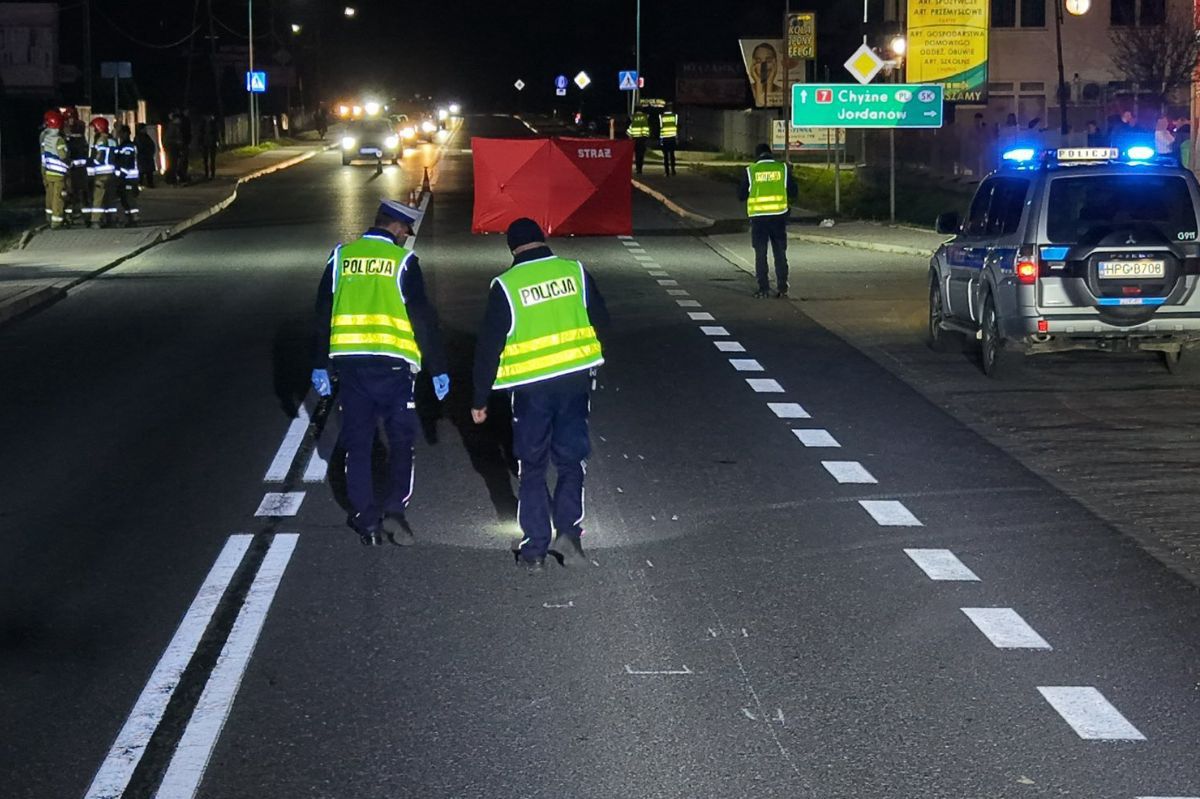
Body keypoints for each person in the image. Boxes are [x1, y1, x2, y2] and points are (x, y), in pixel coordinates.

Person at [471, 219, 609, 573]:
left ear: (512, 249)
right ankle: (569, 534)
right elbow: (602, 322)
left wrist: (479, 397)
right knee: (571, 460)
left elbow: (489, 347)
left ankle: (534, 549)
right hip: (575, 383)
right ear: (542, 239)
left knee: (532, 467)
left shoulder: (506, 285)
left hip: (531, 391)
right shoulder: (574, 272)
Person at [310, 200, 449, 546]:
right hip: (394, 368)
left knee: (358, 445)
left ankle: (366, 522)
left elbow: (322, 311)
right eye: (406, 231)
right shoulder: (404, 262)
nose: (406, 237)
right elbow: (421, 317)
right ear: (398, 228)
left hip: (351, 367)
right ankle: (395, 513)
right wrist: (437, 367)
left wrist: (319, 362)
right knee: (401, 442)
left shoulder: (341, 257)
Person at [737, 143, 798, 299]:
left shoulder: (750, 171)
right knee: (780, 253)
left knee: (761, 253)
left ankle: (763, 289)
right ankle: (782, 287)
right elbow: (794, 192)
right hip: (779, 217)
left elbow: (741, 195)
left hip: (758, 219)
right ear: (770, 154)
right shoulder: (782, 169)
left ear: (757, 155)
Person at [38, 110, 69, 229]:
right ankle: (57, 222)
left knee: (50, 196)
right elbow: (63, 155)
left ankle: (49, 218)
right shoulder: (59, 140)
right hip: (58, 173)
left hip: (48, 171)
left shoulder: (45, 138)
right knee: (58, 197)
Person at [87, 117, 118, 228]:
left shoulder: (100, 140)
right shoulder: (113, 140)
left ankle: (96, 221)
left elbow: (99, 156)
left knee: (98, 199)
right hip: (112, 174)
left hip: (101, 174)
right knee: (110, 199)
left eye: (95, 128)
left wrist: (91, 163)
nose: (94, 131)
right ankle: (112, 220)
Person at [63, 110, 89, 225]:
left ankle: (84, 216)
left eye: (72, 118)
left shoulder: (78, 131)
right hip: (71, 169)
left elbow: (81, 150)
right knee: (70, 193)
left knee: (81, 193)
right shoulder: (67, 132)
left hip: (78, 169)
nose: (70, 121)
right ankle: (70, 215)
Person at [112, 125, 140, 227]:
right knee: (124, 199)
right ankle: (130, 219)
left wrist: (121, 175)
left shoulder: (128, 146)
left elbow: (127, 163)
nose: (119, 135)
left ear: (125, 134)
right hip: (127, 177)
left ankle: (134, 218)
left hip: (129, 177)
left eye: (120, 133)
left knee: (129, 199)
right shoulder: (124, 145)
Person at [627, 106, 650, 175]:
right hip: (642, 138)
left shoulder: (632, 117)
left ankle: (637, 168)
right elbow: (646, 128)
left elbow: (630, 127)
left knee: (636, 154)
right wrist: (646, 136)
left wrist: (629, 135)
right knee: (641, 154)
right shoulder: (645, 117)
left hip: (634, 138)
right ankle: (640, 169)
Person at [134, 123, 157, 188]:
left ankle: (147, 183)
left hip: (146, 156)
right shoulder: (140, 137)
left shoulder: (145, 136)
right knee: (144, 171)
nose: (145, 130)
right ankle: (143, 183)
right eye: (144, 128)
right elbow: (141, 147)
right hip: (143, 156)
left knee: (146, 171)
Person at [164, 112, 184, 185]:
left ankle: (172, 179)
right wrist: (177, 142)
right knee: (172, 165)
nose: (180, 121)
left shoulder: (175, 127)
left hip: (174, 148)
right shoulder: (172, 127)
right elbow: (168, 139)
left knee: (174, 164)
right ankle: (170, 179)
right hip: (172, 148)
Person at [200, 114, 220, 180]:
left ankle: (211, 174)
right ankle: (207, 173)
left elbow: (216, 133)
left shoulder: (213, 124)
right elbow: (200, 133)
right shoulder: (204, 124)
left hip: (211, 143)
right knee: (207, 159)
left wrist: (217, 141)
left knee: (211, 159)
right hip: (206, 143)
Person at [659, 106, 678, 176]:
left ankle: (666, 172)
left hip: (665, 138)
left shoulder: (662, 116)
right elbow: (675, 127)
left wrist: (661, 140)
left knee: (666, 156)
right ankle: (673, 170)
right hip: (672, 138)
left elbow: (661, 128)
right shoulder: (674, 116)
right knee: (672, 154)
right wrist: (676, 138)